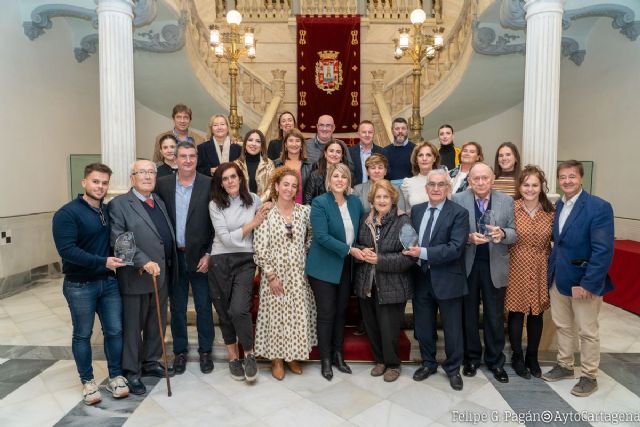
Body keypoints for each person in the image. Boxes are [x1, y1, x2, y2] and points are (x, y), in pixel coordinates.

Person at [52, 163, 129, 405]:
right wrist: (103, 261)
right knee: (83, 334)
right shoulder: (67, 213)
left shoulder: (107, 211)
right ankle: (88, 382)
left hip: (108, 283)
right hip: (79, 285)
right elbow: (67, 251)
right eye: (96, 182)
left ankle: (116, 376)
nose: (100, 187)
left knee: (115, 331)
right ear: (84, 182)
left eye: (105, 183)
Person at [542, 160, 614, 397]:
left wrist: (588, 283)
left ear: (581, 178)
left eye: (571, 176)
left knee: (587, 331)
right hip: (559, 278)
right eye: (562, 177)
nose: (567, 181)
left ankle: (589, 375)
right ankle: (565, 365)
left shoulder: (598, 207)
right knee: (563, 326)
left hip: (583, 281)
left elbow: (603, 250)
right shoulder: (559, 206)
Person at [109, 160, 177, 395]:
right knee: (133, 327)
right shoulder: (119, 204)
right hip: (136, 275)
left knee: (155, 324)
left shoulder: (157, 201)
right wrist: (144, 260)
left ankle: (150, 362)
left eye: (151, 172)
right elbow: (119, 240)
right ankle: (132, 371)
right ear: (132, 177)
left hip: (160, 274)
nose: (147, 176)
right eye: (142, 172)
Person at [452, 163, 517, 384]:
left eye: (484, 178)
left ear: (492, 179)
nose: (480, 182)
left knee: (494, 317)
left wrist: (503, 233)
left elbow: (514, 233)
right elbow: (452, 232)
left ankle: (495, 361)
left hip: (495, 266)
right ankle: (471, 359)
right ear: (469, 181)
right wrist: (468, 238)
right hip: (468, 266)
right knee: (468, 315)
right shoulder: (458, 199)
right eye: (476, 179)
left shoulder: (506, 201)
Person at [405, 169, 469, 391]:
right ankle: (428, 364)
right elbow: (409, 238)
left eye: (441, 184)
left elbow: (455, 248)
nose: (435, 188)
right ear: (426, 188)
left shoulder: (459, 213)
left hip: (448, 279)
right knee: (423, 327)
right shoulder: (417, 210)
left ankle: (453, 369)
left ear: (448, 188)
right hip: (421, 278)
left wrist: (421, 252)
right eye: (432, 184)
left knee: (452, 330)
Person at [155, 142, 215, 375]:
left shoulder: (209, 184)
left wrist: (209, 253)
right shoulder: (163, 185)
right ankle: (180, 352)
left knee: (203, 306)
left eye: (192, 156)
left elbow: (215, 225)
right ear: (175, 158)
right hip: (174, 258)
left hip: (201, 258)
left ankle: (205, 351)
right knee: (177, 308)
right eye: (183, 156)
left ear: (197, 158)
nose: (187, 160)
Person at [254, 168, 317, 380]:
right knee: (277, 317)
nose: (289, 189)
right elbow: (260, 248)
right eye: (285, 184)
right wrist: (271, 276)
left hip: (298, 275)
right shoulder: (266, 213)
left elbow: (311, 237)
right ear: (277, 186)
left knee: (296, 317)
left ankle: (292, 357)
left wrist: (303, 256)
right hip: (275, 274)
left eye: (293, 185)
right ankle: (277, 359)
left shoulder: (304, 212)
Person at [208, 162, 268, 383]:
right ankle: (233, 357)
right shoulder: (215, 204)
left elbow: (260, 231)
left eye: (233, 177)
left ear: (241, 178)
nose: (230, 181)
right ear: (220, 183)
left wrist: (254, 223)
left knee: (238, 309)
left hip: (245, 259)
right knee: (224, 312)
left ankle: (249, 354)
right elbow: (225, 239)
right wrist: (252, 223)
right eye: (225, 179)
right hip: (219, 260)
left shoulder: (254, 199)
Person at [305, 163, 364, 381]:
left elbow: (359, 232)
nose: (340, 180)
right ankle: (326, 359)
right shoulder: (320, 203)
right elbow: (321, 236)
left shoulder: (356, 203)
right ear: (329, 180)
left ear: (349, 182)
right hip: (322, 267)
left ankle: (338, 355)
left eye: (344, 177)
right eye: (336, 176)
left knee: (341, 312)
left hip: (346, 267)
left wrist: (362, 249)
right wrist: (350, 250)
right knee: (327, 313)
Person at [353, 180, 415, 382]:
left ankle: (393, 364)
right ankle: (380, 360)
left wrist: (380, 260)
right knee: (372, 325)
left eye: (385, 197)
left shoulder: (403, 221)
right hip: (367, 283)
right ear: (372, 200)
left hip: (392, 284)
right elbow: (359, 244)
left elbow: (410, 257)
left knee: (389, 328)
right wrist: (361, 251)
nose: (381, 200)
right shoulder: (365, 219)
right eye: (378, 197)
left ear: (392, 199)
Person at [505, 165, 554, 379]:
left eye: (535, 185)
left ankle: (532, 356)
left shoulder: (550, 211)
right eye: (526, 185)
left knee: (536, 313)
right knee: (516, 312)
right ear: (520, 186)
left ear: (541, 187)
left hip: (541, 264)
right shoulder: (510, 208)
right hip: (516, 264)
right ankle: (517, 356)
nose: (530, 189)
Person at [303, 140, 350, 205]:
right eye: (331, 151)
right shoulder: (315, 175)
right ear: (325, 153)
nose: (334, 154)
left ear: (341, 156)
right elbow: (307, 199)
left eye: (338, 152)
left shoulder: (347, 175)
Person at [274, 128, 314, 204]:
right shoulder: (276, 164)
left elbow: (313, 191)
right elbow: (272, 188)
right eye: (291, 140)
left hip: (304, 209)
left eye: (297, 141)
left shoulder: (311, 165)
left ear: (302, 144)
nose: (294, 144)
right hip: (281, 209)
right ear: (285, 144)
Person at [235, 129, 275, 202]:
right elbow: (233, 188)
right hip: (241, 207)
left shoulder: (269, 164)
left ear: (262, 146)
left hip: (263, 208)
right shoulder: (236, 165)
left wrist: (258, 202)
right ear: (245, 144)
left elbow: (272, 187)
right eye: (250, 140)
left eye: (258, 141)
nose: (253, 144)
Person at [401, 141, 441, 211]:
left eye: (428, 155)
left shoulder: (443, 180)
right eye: (420, 155)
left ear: (434, 158)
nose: (424, 159)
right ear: (416, 159)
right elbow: (407, 211)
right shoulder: (408, 183)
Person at [349, 120, 383, 186]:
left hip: (376, 190)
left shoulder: (382, 152)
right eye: (364, 132)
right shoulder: (349, 152)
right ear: (358, 134)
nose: (367, 135)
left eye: (370, 132)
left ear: (373, 134)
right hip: (355, 192)